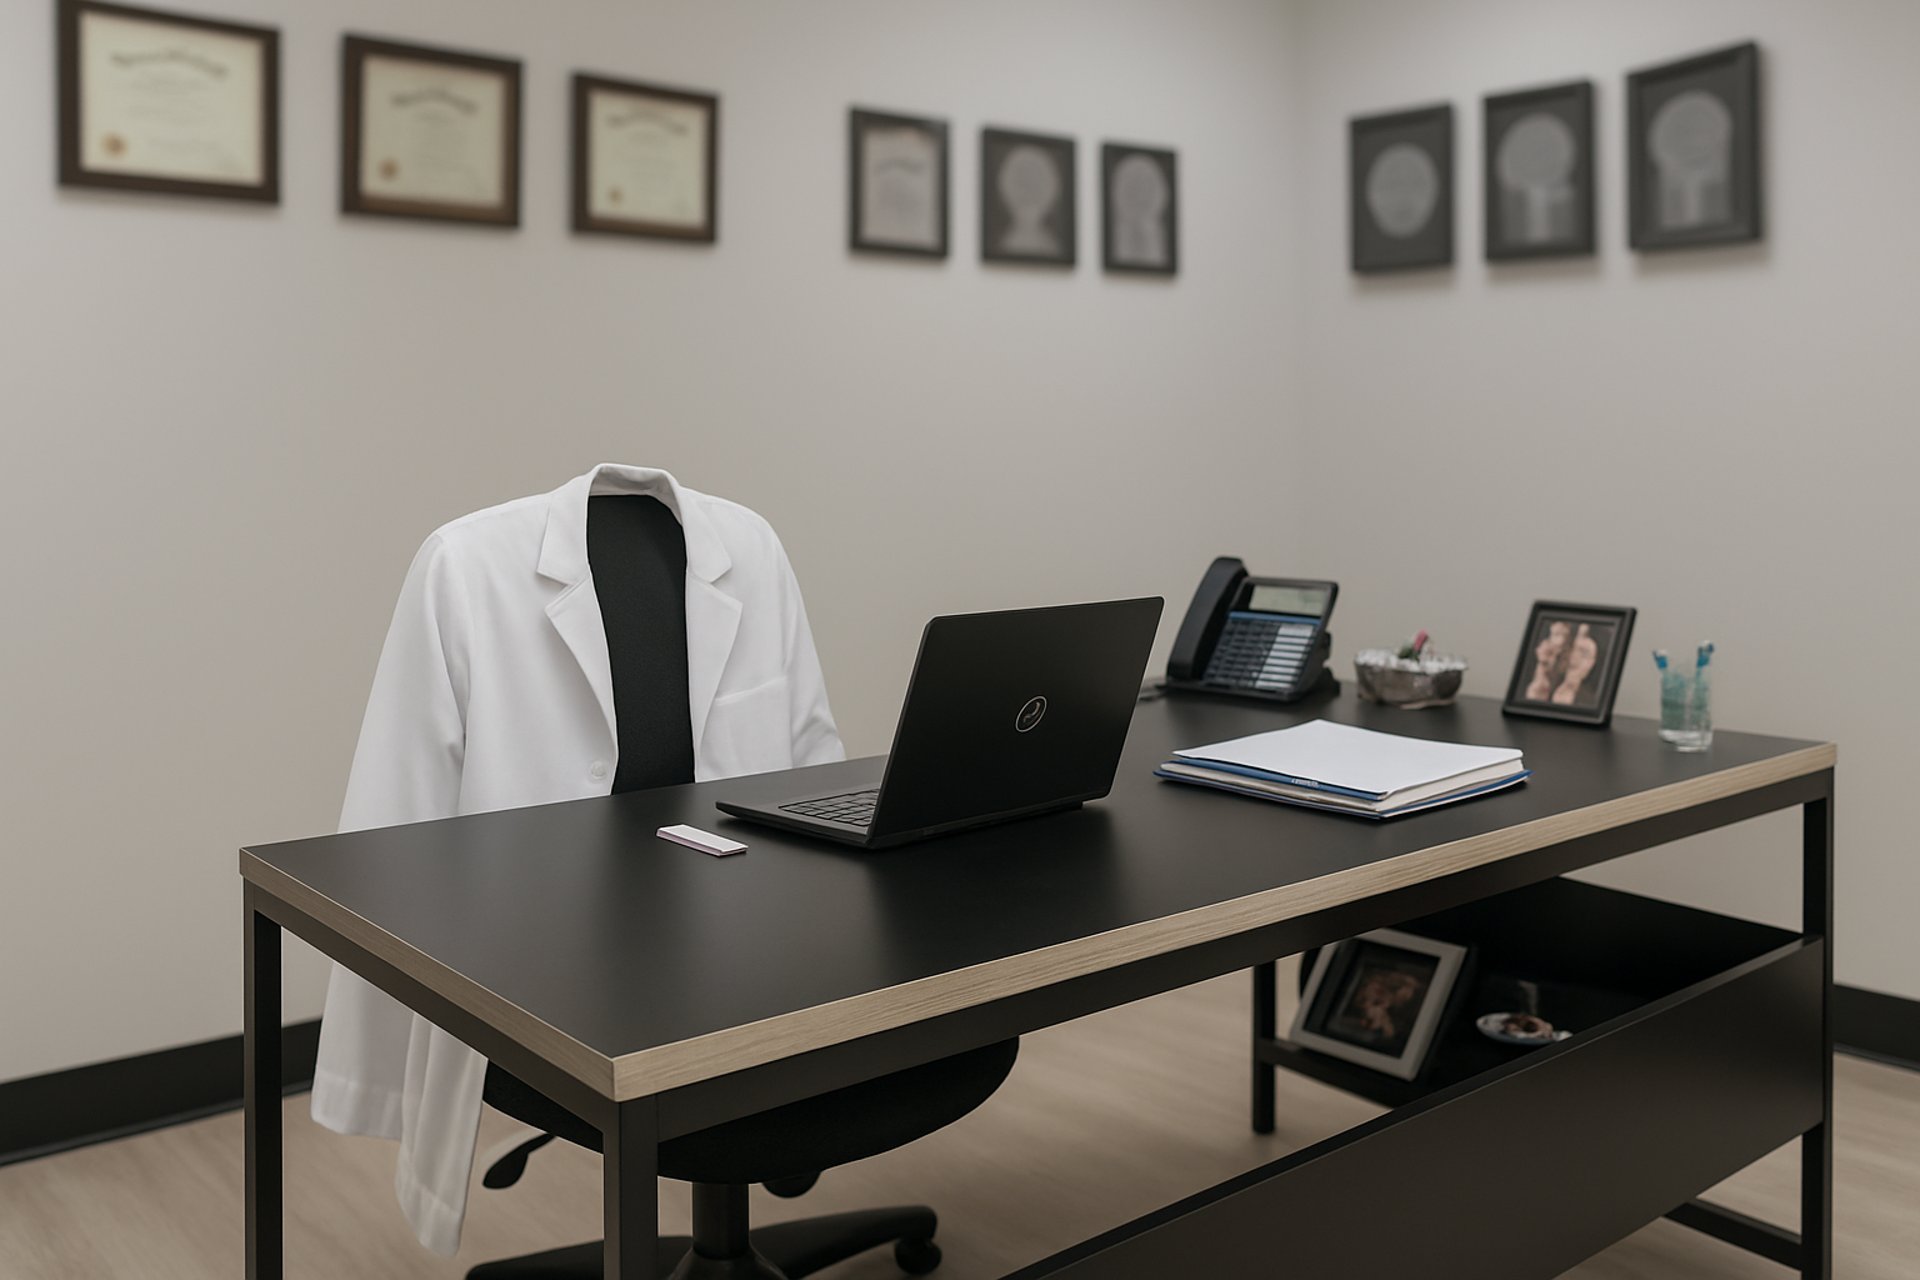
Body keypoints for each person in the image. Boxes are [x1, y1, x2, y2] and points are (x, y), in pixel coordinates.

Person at [308, 463, 843, 1255]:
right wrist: (375, 1076)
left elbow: (815, 771)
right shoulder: (467, 566)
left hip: (753, 958)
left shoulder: (751, 547)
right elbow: (392, 827)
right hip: (551, 984)